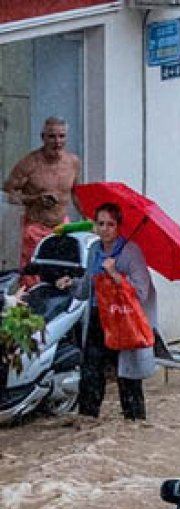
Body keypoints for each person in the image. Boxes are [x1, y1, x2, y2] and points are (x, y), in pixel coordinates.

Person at [55, 203, 156, 421]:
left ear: (119, 227)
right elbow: (87, 288)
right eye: (100, 223)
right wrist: (71, 283)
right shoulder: (93, 250)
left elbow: (141, 292)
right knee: (90, 375)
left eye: (110, 224)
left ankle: (134, 422)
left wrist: (115, 274)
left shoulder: (131, 252)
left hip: (124, 323)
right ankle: (87, 421)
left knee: (128, 378)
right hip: (97, 320)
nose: (105, 229)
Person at [4, 117, 82, 288]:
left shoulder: (73, 162)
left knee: (62, 278)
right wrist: (35, 199)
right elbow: (9, 193)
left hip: (62, 228)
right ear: (43, 137)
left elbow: (76, 193)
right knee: (32, 280)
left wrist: (89, 220)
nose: (57, 142)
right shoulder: (29, 163)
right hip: (35, 228)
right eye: (52, 136)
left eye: (61, 136)